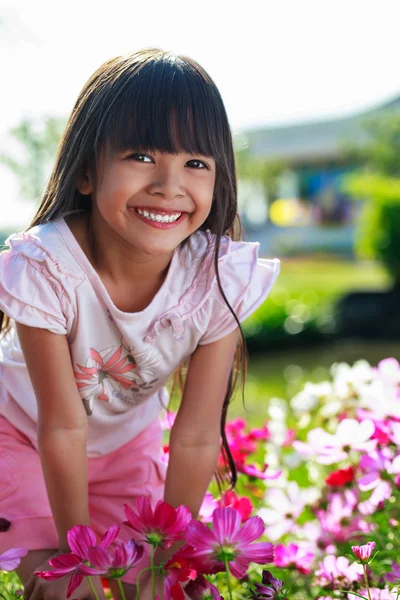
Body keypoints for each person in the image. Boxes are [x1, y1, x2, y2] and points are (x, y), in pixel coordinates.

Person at [0, 48, 280, 599]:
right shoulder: (46, 267)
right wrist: (76, 562)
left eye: (196, 163)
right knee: (63, 591)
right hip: (24, 440)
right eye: (141, 156)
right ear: (85, 172)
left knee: (148, 586)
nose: (170, 185)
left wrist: (166, 563)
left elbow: (197, 434)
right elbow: (60, 427)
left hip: (128, 450)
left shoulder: (216, 276)